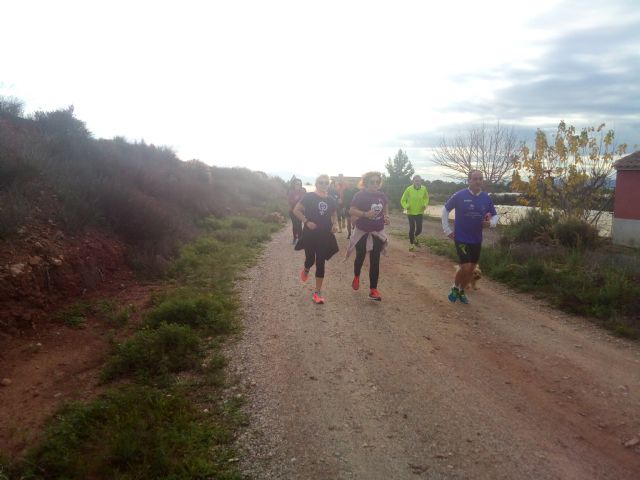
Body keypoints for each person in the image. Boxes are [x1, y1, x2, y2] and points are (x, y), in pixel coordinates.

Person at [441, 169, 498, 304]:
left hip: (477, 239)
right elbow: (445, 210)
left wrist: (491, 223)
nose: (478, 181)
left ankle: (461, 291)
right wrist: (447, 229)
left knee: (472, 269)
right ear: (469, 181)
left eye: (480, 179)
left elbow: (495, 215)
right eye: (475, 179)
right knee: (465, 267)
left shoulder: (486, 197)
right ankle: (455, 287)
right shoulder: (459, 195)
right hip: (461, 237)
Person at [293, 174, 339, 304]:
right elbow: (296, 210)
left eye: (326, 183)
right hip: (310, 234)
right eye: (321, 182)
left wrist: (334, 224)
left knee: (320, 262)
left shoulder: (330, 199)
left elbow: (334, 213)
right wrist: (307, 222)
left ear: (328, 184)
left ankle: (317, 292)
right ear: (316, 183)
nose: (324, 185)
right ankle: (306, 268)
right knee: (310, 259)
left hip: (324, 235)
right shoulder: (309, 197)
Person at [347, 171, 390, 301]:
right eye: (372, 182)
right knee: (360, 257)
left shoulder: (382, 196)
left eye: (378, 182)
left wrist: (386, 216)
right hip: (363, 231)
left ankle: (373, 290)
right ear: (366, 183)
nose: (375, 184)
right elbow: (351, 210)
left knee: (375, 261)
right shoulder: (360, 195)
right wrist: (365, 214)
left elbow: (385, 207)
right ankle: (356, 276)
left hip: (377, 232)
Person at [400, 175, 429, 251]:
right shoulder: (409, 189)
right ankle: (411, 244)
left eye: (419, 181)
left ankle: (415, 237)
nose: (417, 182)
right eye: (416, 181)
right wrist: (406, 206)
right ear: (413, 181)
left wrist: (425, 205)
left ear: (421, 181)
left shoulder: (424, 188)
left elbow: (426, 198)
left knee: (419, 229)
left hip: (419, 212)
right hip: (411, 212)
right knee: (412, 228)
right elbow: (403, 200)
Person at [287, 179, 307, 245]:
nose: (298, 185)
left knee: (299, 224)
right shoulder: (291, 192)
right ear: (294, 185)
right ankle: (295, 238)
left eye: (299, 184)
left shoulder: (303, 191)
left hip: (300, 211)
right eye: (296, 184)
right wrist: (296, 202)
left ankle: (300, 239)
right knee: (295, 225)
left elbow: (305, 200)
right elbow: (290, 201)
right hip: (292, 210)